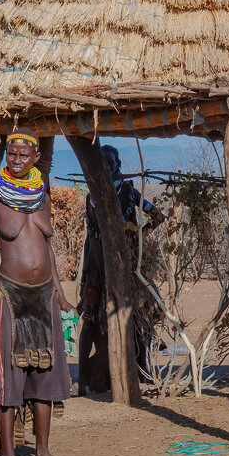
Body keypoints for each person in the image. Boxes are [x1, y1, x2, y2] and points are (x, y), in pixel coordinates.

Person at [0, 129, 72, 456]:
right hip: (11, 295)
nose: (16, 160)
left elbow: (48, 250)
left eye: (23, 155)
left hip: (44, 297)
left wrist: (59, 291)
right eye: (11, 154)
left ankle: (42, 452)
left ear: (36, 157)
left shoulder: (42, 196)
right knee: (9, 376)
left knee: (45, 373)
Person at [77, 144, 162, 392]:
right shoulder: (91, 196)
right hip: (95, 267)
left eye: (110, 163)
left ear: (118, 166)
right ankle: (81, 381)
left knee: (138, 317)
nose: (106, 167)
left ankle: (140, 371)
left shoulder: (128, 191)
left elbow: (157, 215)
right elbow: (89, 238)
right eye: (101, 163)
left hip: (125, 266)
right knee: (90, 321)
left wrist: (136, 235)